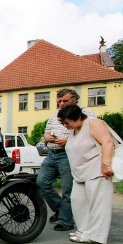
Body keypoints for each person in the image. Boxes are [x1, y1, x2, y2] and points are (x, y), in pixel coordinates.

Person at [36, 88, 95, 232]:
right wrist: (47, 137)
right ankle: (61, 209)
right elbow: (45, 133)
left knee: (68, 187)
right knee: (41, 183)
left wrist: (68, 140)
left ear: (75, 100)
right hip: (52, 153)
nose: (62, 104)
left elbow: (89, 133)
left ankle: (66, 220)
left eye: (65, 101)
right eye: (59, 101)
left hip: (69, 154)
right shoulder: (54, 115)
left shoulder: (85, 113)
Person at [57, 104, 114, 244]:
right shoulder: (74, 129)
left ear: (77, 117)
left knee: (98, 205)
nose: (65, 125)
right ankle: (84, 231)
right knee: (78, 202)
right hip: (80, 174)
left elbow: (107, 141)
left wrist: (105, 164)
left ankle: (96, 235)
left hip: (97, 171)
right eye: (63, 123)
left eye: (67, 122)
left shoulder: (93, 123)